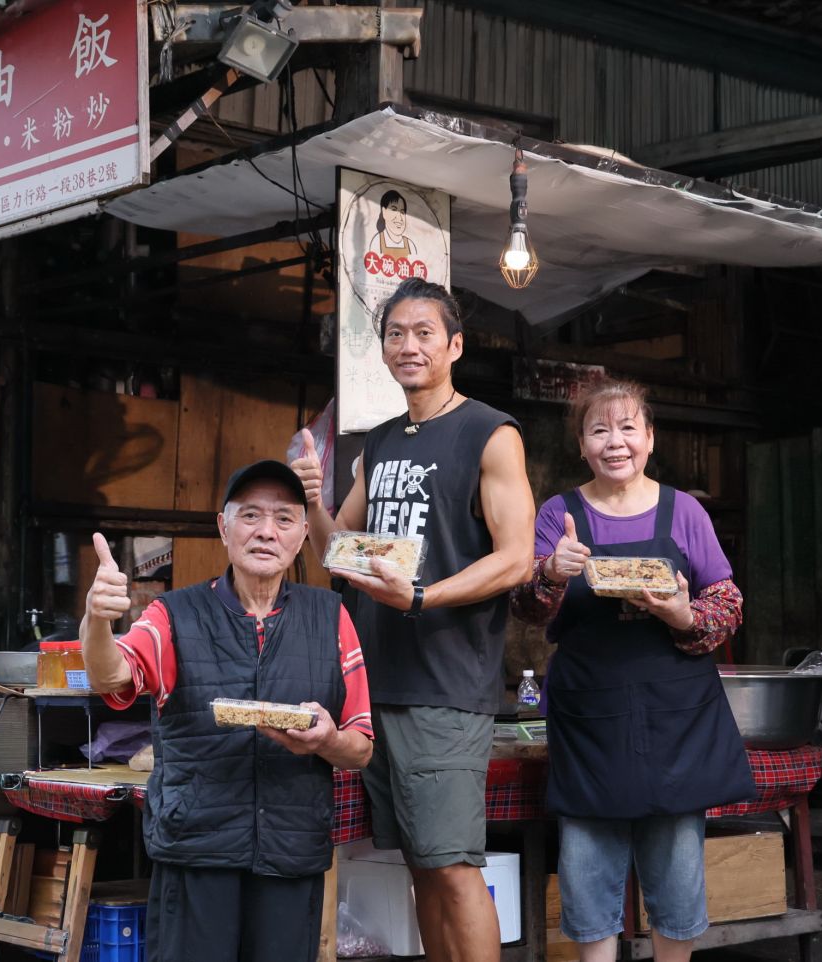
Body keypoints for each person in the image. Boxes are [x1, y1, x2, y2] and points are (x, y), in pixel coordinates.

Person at [291, 277, 535, 962]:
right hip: (381, 683)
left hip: (446, 686)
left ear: (454, 345)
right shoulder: (383, 441)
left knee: (456, 868)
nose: (408, 346)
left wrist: (423, 596)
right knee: (422, 866)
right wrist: (311, 499)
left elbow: (518, 558)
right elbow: (339, 553)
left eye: (424, 332)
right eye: (396, 334)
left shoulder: (490, 433)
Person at [80, 459, 374, 962]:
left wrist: (326, 739)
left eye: (284, 519)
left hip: (291, 852)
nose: (266, 531)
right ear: (223, 527)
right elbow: (112, 676)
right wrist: (97, 619)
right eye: (250, 516)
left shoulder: (331, 617)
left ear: (304, 534)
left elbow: (361, 746)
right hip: (197, 853)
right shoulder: (172, 615)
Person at [510, 377, 754, 962]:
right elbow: (522, 606)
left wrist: (682, 613)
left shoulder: (684, 510)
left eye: (627, 428)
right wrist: (551, 575)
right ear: (582, 445)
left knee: (676, 871)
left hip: (676, 717)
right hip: (592, 715)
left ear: (649, 437)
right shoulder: (557, 513)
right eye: (599, 430)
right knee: (587, 868)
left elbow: (727, 602)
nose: (614, 442)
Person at [372, 189, 417, 259]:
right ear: (384, 211)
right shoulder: (377, 241)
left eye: (402, 212)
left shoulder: (410, 245)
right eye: (394, 210)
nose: (399, 218)